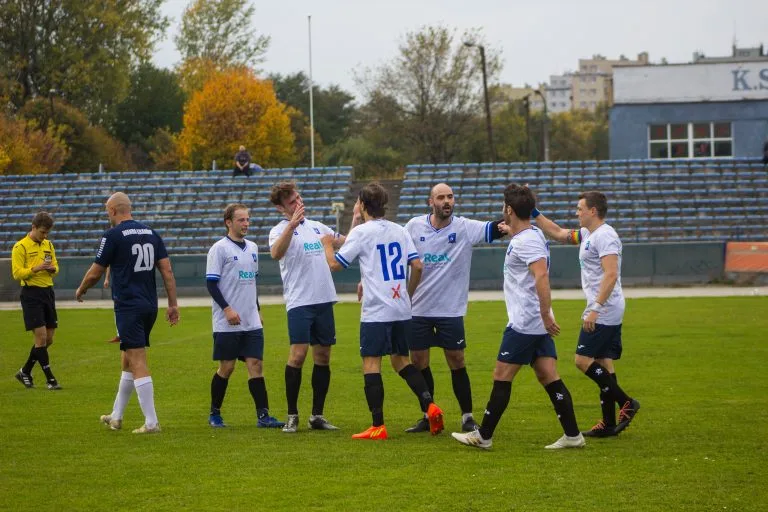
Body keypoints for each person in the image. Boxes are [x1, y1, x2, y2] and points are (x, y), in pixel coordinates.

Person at [452, 184, 585, 450]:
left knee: (501, 375)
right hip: (535, 322)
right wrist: (510, 230)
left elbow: (541, 276)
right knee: (548, 375)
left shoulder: (527, 241)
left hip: (526, 322)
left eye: (504, 207)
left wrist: (545, 315)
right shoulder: (530, 233)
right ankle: (573, 435)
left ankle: (483, 436)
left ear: (509, 210)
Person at [321, 183, 444, 440]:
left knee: (371, 363)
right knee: (401, 361)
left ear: (363, 205)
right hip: (401, 308)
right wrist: (407, 295)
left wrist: (326, 244)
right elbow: (418, 266)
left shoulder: (362, 232)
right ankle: (430, 406)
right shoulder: (399, 230)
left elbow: (335, 265)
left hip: (376, 311)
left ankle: (378, 425)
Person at [532, 191, 640, 437]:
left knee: (582, 360)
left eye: (580, 209)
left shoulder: (606, 236)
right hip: (603, 308)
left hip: (605, 309)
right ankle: (609, 423)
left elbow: (611, 274)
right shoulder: (587, 234)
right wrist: (535, 214)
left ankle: (626, 402)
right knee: (603, 361)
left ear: (593, 211)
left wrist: (595, 309)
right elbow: (559, 233)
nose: (577, 212)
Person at [403, 182, 505, 433]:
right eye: (441, 197)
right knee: (418, 361)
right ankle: (429, 415)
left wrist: (513, 213)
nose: (447, 201)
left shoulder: (464, 227)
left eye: (450, 197)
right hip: (418, 309)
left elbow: (496, 228)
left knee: (457, 360)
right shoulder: (413, 227)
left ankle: (467, 416)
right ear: (431, 202)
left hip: (450, 310)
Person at [75, 192, 179, 434]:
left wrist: (81, 289)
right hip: (149, 305)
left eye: (106, 211)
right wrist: (173, 304)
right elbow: (167, 271)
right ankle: (116, 415)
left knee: (138, 360)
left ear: (113, 211)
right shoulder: (152, 233)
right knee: (127, 359)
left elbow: (95, 272)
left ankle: (151, 422)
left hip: (128, 306)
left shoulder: (112, 235)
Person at [269, 182, 359, 433]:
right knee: (297, 356)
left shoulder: (318, 227)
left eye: (298, 198)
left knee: (323, 357)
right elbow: (276, 253)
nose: (298, 204)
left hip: (323, 300)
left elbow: (347, 242)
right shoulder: (278, 231)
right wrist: (292, 225)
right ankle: (292, 415)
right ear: (280, 208)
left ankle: (317, 415)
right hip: (300, 302)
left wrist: (355, 218)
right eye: (291, 202)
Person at [206, 203, 284, 429]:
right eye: (241, 220)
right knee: (227, 367)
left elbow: (252, 283)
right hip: (227, 321)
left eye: (247, 219)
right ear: (228, 222)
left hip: (250, 321)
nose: (246, 223)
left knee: (256, 364)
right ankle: (215, 413)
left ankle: (263, 416)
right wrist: (227, 309)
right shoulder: (219, 249)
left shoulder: (252, 247)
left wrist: (257, 309)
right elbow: (211, 284)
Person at [12, 212, 62, 390]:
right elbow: (17, 273)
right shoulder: (20, 247)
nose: (45, 236)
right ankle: (50, 379)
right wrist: (36, 268)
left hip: (48, 292)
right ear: (33, 227)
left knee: (48, 340)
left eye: (47, 233)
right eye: (42, 232)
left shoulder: (48, 245)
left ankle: (25, 371)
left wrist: (51, 269)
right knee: (40, 338)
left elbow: (56, 268)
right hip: (31, 294)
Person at [103, 267, 120, 344]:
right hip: (117, 283)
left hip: (126, 283)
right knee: (117, 308)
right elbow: (109, 265)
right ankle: (119, 334)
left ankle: (122, 334)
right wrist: (106, 278)